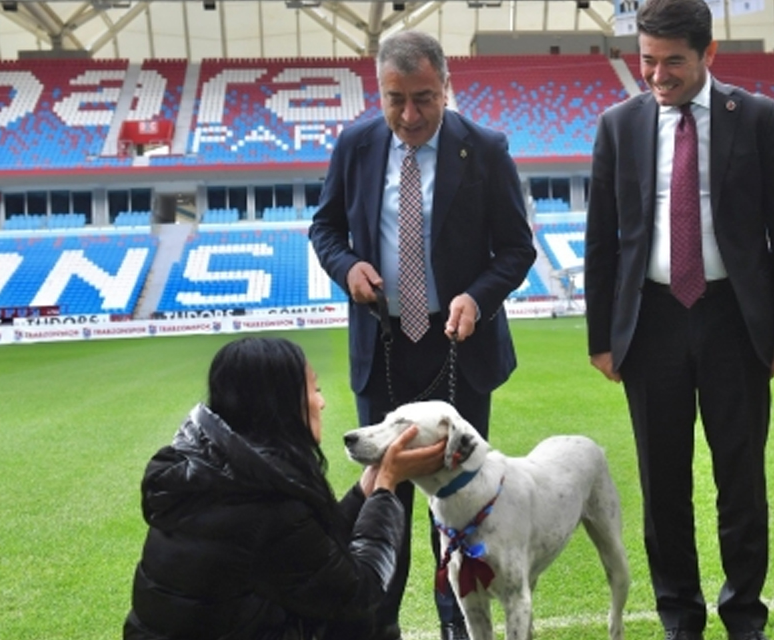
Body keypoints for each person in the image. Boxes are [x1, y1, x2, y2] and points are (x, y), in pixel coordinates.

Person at [584, 0, 774, 638]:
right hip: (650, 322)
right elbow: (602, 239)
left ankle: (744, 615)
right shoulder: (617, 125)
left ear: (709, 54)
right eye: (647, 60)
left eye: (673, 62)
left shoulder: (757, 117)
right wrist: (602, 337)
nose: (657, 75)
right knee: (663, 486)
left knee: (741, 480)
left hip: (734, 321)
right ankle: (679, 616)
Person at [308, 29, 536, 640]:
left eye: (425, 99)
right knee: (384, 494)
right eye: (395, 99)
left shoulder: (485, 149)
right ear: (377, 91)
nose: (409, 115)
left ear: (446, 86)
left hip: (459, 347)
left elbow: (517, 248)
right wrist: (347, 267)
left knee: (460, 504)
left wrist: (476, 297)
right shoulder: (355, 144)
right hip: (382, 347)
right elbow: (325, 229)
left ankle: (456, 626)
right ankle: (376, 624)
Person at [124, 337, 447, 640]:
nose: (321, 402)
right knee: (364, 624)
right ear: (281, 404)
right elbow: (360, 593)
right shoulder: (263, 502)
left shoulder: (217, 472)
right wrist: (386, 488)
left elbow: (311, 549)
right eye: (314, 389)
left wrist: (368, 486)